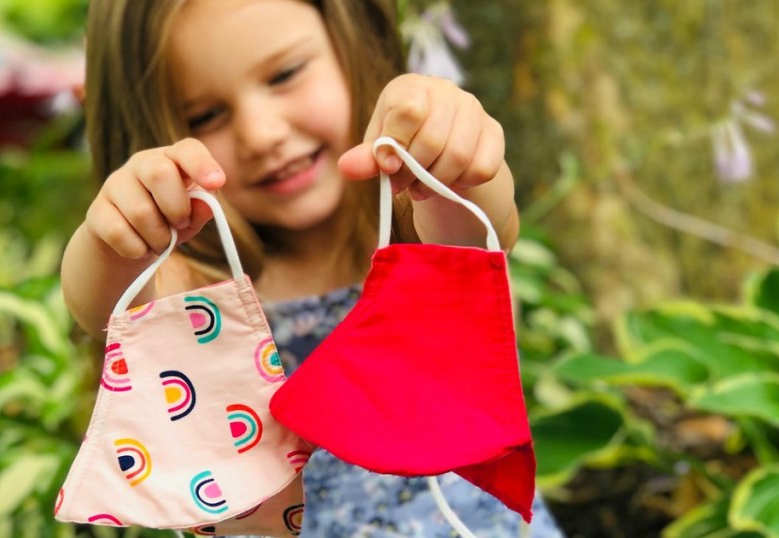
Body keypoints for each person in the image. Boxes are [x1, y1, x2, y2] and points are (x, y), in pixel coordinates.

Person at [61, 0, 564, 536]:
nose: (262, 133)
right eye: (205, 116)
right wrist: (117, 239)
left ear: (350, 43)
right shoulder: (193, 281)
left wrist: (450, 160)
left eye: (284, 74)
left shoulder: (416, 229)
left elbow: (476, 234)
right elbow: (110, 310)